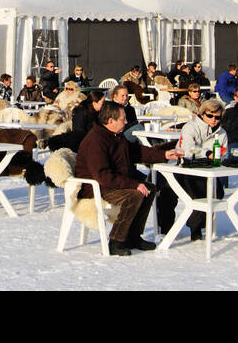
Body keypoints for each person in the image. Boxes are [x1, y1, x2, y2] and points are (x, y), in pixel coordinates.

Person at [76, 101, 179, 256]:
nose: (126, 122)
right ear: (111, 121)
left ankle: (133, 236)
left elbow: (136, 152)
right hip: (96, 187)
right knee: (135, 194)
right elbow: (103, 175)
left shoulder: (115, 136)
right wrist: (134, 184)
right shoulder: (96, 141)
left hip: (111, 183)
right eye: (123, 119)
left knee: (149, 189)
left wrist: (163, 154)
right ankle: (116, 241)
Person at [156, 99, 228, 242]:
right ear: (202, 114)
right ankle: (165, 228)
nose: (214, 120)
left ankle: (195, 226)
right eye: (210, 116)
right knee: (168, 189)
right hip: (184, 166)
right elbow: (187, 149)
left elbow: (224, 152)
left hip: (207, 170)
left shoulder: (222, 133)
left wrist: (217, 157)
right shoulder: (191, 127)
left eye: (217, 117)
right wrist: (207, 153)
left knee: (216, 193)